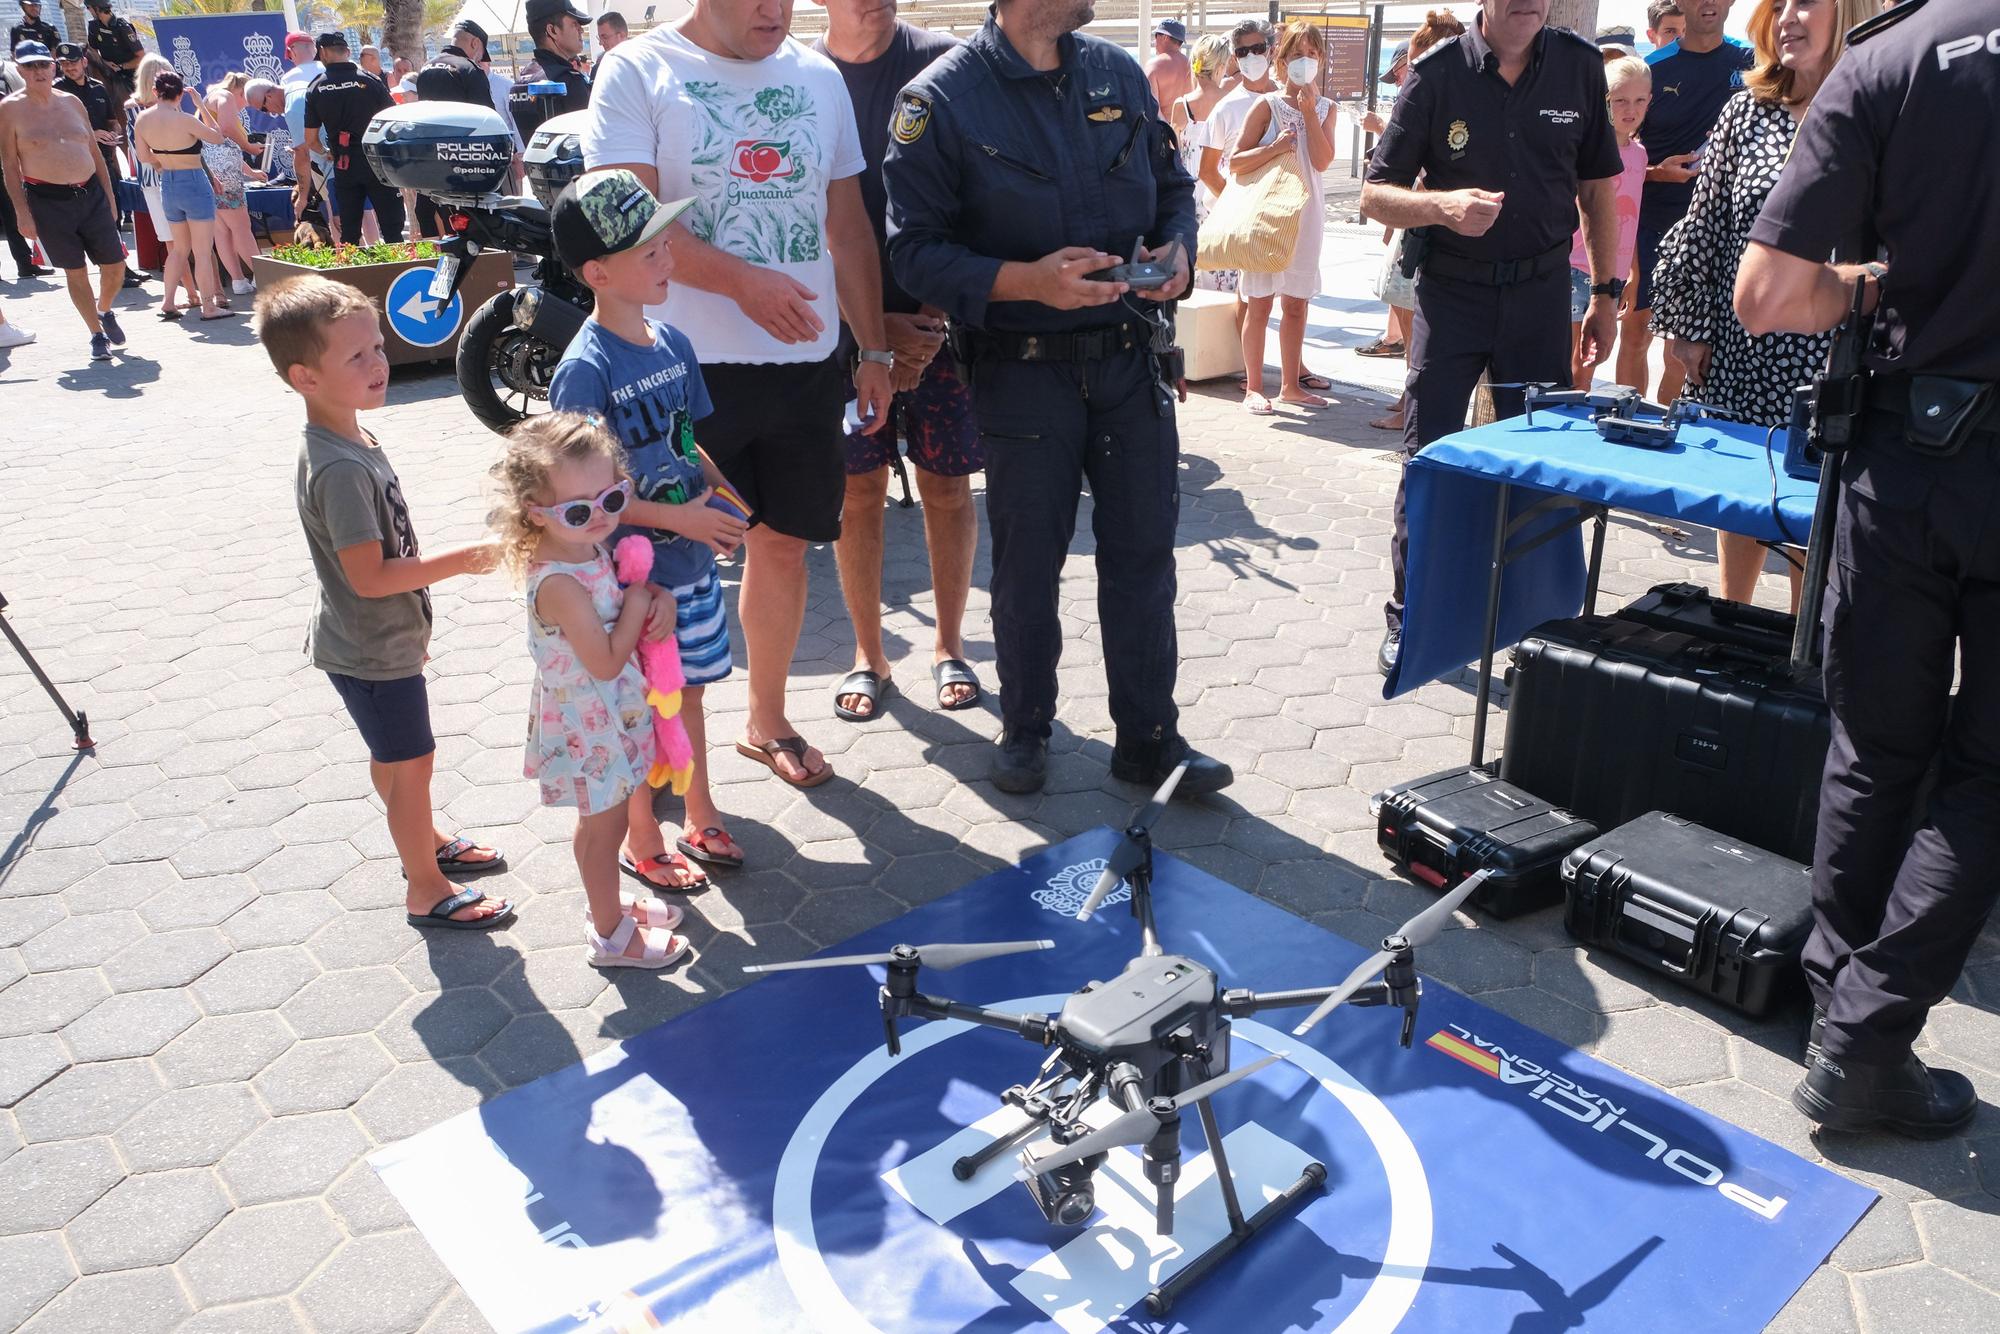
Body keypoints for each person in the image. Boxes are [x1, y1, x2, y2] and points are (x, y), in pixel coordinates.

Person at [1732, 0, 1998, 1136]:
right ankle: (1863, 1035)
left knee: (1874, 748)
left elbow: (1770, 296)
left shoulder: (1885, 59)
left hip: (1906, 462)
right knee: (1985, 772)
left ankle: (1843, 1020)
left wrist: (1870, 285)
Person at [884, 0, 1232, 798]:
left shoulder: (1114, 71)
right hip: (1023, 371)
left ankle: (1149, 739)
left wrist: (1179, 249)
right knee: (1029, 563)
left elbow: (1174, 183)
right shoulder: (938, 101)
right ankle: (1026, 729)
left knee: (1145, 557)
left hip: (1128, 362)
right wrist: (1027, 283)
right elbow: (916, 252)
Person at [584, 0, 894, 792]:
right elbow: (629, 225)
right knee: (664, 567)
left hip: (804, 364)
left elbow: (849, 227)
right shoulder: (637, 70)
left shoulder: (817, 75)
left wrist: (875, 347)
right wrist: (743, 283)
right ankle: (672, 784)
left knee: (785, 543)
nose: (774, 9)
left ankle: (766, 719)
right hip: (675, 374)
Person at [1364, 0, 1625, 676]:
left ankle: (1537, 632)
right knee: (1431, 458)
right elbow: (1375, 195)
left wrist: (1605, 294)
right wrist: (1440, 208)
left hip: (1541, 298)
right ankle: (1411, 617)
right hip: (1452, 296)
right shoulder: (1436, 73)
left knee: (1539, 467)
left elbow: (1598, 189)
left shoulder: (1577, 68)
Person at [258, 273, 514, 932]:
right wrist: (467, 559)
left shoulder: (351, 437)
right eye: (356, 357)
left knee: (396, 759)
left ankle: (422, 839)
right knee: (412, 763)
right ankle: (425, 887)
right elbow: (370, 577)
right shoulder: (339, 467)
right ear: (304, 378)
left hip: (375, 641)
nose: (379, 365)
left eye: (377, 347)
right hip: (371, 647)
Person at [546, 168, 748, 884]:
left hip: (690, 568)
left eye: (664, 240)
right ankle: (642, 839)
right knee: (634, 710)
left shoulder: (674, 343)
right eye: (647, 250)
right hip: (628, 586)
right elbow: (588, 503)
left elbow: (685, 437)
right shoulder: (583, 372)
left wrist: (722, 491)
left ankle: (700, 811)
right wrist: (682, 519)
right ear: (598, 272)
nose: (666, 257)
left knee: (686, 693)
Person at [1653, 0, 1867, 605]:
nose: (1789, 18)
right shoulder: (1747, 109)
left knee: (1814, 514)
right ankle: (1728, 621)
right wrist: (1688, 326)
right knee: (1742, 498)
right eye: (1780, 6)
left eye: (1806, 4)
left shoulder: (1878, 109)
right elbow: (1705, 223)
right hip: (1742, 346)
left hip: (1834, 356)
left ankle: (1801, 657)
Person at [812, 0, 983, 725]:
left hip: (941, 329)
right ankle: (867, 654)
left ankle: (950, 645)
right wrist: (869, 327)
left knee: (949, 489)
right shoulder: (796, 77)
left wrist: (936, 317)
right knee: (857, 496)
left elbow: (981, 196)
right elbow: (789, 217)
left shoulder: (948, 63)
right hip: (839, 337)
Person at [491, 412, 695, 968]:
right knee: (602, 832)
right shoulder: (557, 581)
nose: (602, 517)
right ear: (537, 513)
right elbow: (604, 661)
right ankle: (610, 934)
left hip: (611, 717)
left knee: (603, 823)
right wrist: (635, 608)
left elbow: (631, 594)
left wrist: (656, 601)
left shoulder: (586, 547)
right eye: (580, 510)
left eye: (612, 499)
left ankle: (608, 905)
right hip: (591, 723)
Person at [1618, 0, 1752, 400]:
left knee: (1687, 340)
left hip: (1719, 227)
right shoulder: (1653, 68)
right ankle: (1624, 424)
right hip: (1652, 217)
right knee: (1637, 333)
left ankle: (1673, 428)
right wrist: (1659, 172)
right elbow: (1618, 150)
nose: (1708, 3)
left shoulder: (1754, 64)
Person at [1360, 12, 1466, 435]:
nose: (1411, 67)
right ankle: (1409, 400)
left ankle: (1412, 405)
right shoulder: (1449, 93)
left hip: (1425, 227)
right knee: (1407, 316)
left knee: (1415, 322)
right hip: (1417, 221)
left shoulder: (1445, 97)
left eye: (1416, 55)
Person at [1231, 19, 1339, 416]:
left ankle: (1291, 385)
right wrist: (1274, 147)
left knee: (1296, 303)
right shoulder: (1266, 105)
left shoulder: (1328, 109)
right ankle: (1254, 386)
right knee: (1259, 302)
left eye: (1311, 55)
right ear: (1281, 61)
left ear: (1321, 60)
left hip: (1307, 217)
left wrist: (1310, 113)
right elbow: (1235, 161)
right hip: (1267, 216)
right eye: (1296, 55)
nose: (1304, 63)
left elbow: (1323, 160)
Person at [1, 39, 128, 360]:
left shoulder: (72, 101)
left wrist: (110, 197)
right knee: (76, 271)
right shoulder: (9, 109)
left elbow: (94, 152)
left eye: (43, 64)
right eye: (30, 66)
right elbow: (9, 166)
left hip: (91, 193)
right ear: (20, 70)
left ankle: (105, 309)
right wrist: (21, 213)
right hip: (48, 200)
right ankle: (96, 334)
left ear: (52, 66)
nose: (38, 71)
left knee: (116, 266)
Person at [1568, 55, 1650, 390]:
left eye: (1640, 100)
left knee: (1590, 361)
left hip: (1612, 279)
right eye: (1620, 100)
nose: (1630, 109)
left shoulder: (1640, 155)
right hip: (1573, 267)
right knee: (1571, 363)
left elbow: (1631, 221)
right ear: (1604, 100)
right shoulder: (1582, 148)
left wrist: (1633, 273)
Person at [131, 65, 224, 320]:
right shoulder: (185, 119)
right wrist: (202, 106)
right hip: (193, 180)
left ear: (154, 91)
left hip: (168, 183)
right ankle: (208, 306)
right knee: (203, 250)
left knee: (179, 249)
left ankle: (168, 302)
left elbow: (142, 157)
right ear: (180, 94)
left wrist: (163, 163)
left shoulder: (142, 119)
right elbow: (217, 137)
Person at [305, 31, 404, 243]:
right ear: (348, 52)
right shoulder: (370, 80)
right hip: (377, 162)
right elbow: (395, 120)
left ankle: (354, 274)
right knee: (393, 231)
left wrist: (326, 152)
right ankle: (397, 272)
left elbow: (311, 140)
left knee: (349, 233)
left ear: (322, 53)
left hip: (344, 164)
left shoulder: (315, 87)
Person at [1170, 33, 1236, 296]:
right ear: (1221, 66)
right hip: (1222, 189)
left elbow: (1175, 155)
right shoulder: (1230, 100)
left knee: (1196, 259)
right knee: (1226, 262)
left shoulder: (1181, 106)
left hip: (1190, 193)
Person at [203, 72, 267, 296]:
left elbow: (221, 145)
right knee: (241, 228)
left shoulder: (209, 99)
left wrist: (250, 171)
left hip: (213, 173)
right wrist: (249, 147)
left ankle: (239, 280)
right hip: (225, 176)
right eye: (246, 100)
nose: (245, 106)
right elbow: (228, 129)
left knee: (222, 231)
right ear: (241, 91)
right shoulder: (225, 97)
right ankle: (263, 275)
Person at [511, 0, 594, 144]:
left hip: (531, 165)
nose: (581, 30)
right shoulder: (569, 81)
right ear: (552, 30)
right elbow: (590, 142)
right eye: (575, 24)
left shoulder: (520, 82)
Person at [52, 43, 120, 187]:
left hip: (105, 161)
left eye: (73, 62)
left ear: (84, 62)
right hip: (77, 164)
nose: (69, 67)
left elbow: (112, 120)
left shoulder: (99, 88)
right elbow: (53, 130)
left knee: (115, 205)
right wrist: (91, 135)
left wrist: (114, 133)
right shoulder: (55, 91)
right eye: (64, 63)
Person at [413, 20, 495, 107]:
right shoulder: (470, 70)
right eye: (480, 57)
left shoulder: (426, 67)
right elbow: (487, 116)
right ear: (475, 43)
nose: (479, 61)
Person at [83, 1, 141, 97]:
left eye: (88, 7)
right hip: (109, 74)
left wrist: (121, 67)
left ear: (96, 8)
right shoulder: (93, 27)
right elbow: (93, 53)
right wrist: (105, 63)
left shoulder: (123, 27)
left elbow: (141, 57)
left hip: (132, 76)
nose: (88, 10)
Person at [1144, 17, 1192, 112]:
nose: (1154, 42)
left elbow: (1151, 107)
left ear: (1165, 37)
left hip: (1162, 126)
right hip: (1189, 125)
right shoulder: (1192, 65)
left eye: (1156, 35)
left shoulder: (1153, 66)